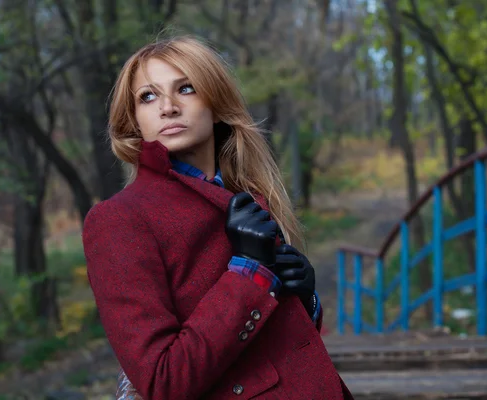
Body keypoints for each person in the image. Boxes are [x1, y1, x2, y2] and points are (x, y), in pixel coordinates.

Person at [82, 35, 353, 400]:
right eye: (148, 96)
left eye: (186, 88)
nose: (167, 107)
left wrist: (306, 301)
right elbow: (163, 381)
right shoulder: (119, 220)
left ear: (215, 101)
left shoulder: (248, 195)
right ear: (134, 121)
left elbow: (276, 348)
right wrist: (248, 272)